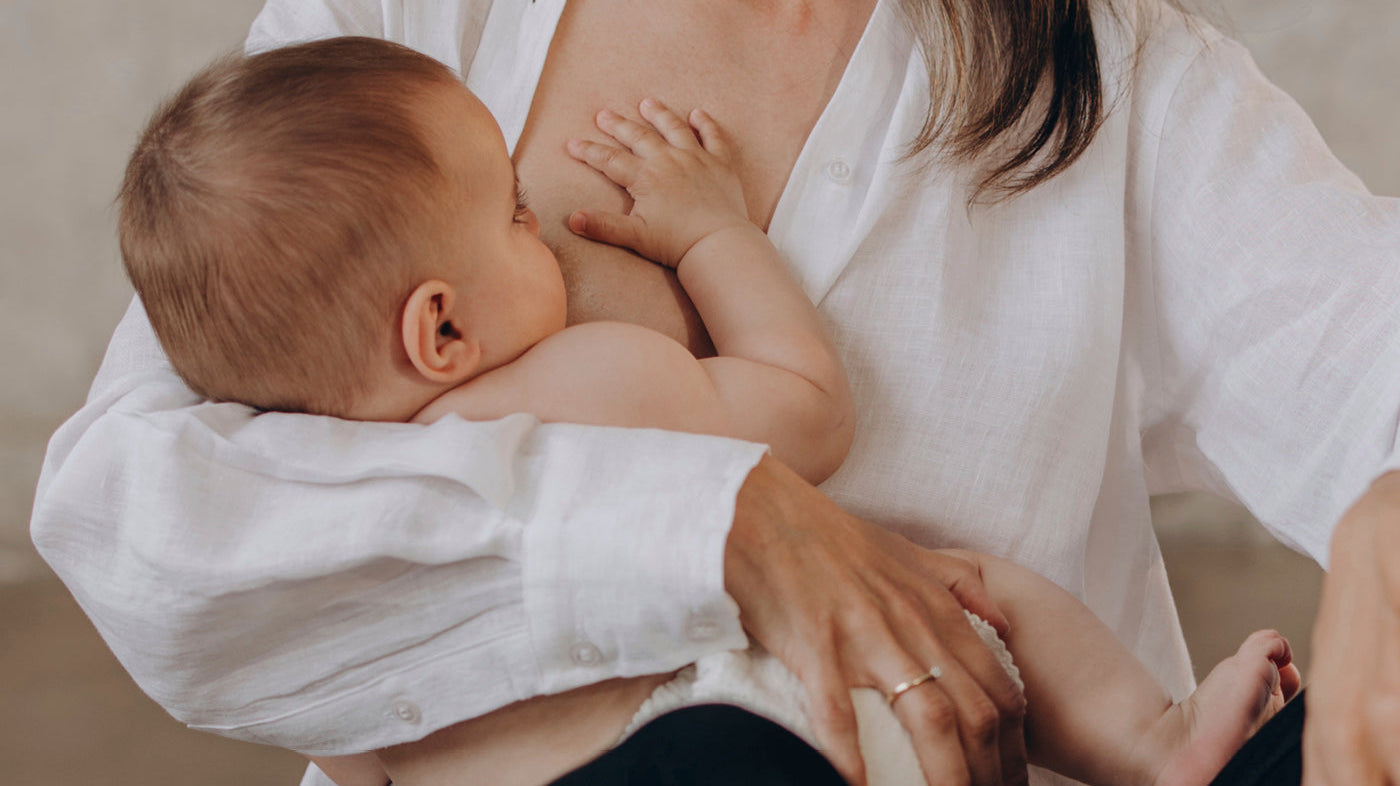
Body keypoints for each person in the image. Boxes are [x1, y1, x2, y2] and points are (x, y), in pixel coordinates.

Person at [29, 0, 1400, 784]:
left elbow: (1368, 343)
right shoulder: (384, 62)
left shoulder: (1118, 83)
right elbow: (136, 519)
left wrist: (1388, 499)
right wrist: (714, 524)